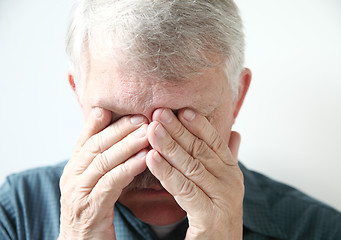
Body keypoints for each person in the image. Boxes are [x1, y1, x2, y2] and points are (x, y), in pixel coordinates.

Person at [0, 0, 340, 239]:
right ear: (78, 94)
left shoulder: (320, 230)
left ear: (237, 95)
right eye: (121, 120)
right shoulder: (15, 215)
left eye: (184, 120)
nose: (155, 157)